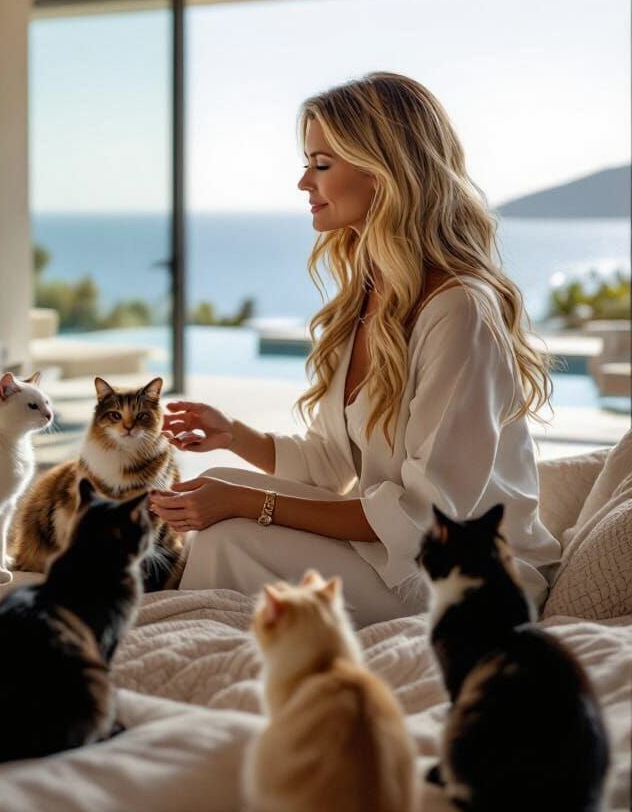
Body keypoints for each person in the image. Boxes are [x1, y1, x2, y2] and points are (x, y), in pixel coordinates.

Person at [150, 72, 560, 627]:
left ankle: (195, 654)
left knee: (231, 536)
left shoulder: (459, 309)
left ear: (382, 174)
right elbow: (330, 466)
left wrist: (248, 505)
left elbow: (426, 514)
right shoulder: (372, 295)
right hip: (401, 555)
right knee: (230, 492)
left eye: (321, 165)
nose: (303, 183)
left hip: (468, 578)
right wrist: (233, 438)